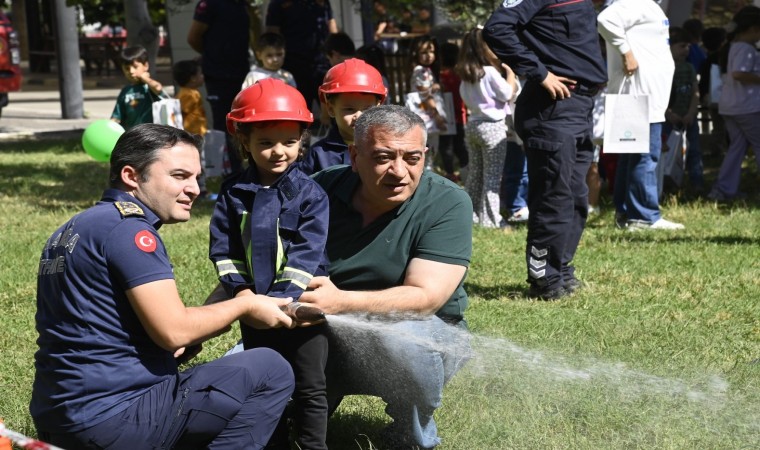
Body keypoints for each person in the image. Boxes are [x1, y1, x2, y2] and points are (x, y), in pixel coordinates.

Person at [30, 124, 295, 449]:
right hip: (114, 419)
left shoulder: (73, 229)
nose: (195, 189)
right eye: (180, 176)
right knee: (269, 367)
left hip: (60, 418)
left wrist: (232, 289)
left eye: (196, 177)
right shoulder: (130, 233)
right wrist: (246, 305)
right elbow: (173, 331)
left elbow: (111, 330)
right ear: (131, 176)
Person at [300, 105, 473, 449]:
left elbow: (426, 298)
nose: (399, 171)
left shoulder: (448, 202)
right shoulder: (320, 189)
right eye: (382, 157)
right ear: (354, 155)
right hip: (325, 327)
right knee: (244, 367)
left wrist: (341, 302)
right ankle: (300, 414)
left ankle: (411, 434)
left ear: (426, 155)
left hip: (426, 334)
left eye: (412, 158)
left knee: (403, 337)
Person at [210, 78, 331, 450]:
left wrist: (285, 299)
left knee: (310, 386)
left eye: (289, 142)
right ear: (243, 141)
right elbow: (224, 251)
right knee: (264, 385)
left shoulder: (311, 195)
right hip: (255, 310)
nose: (279, 151)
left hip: (303, 309)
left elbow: (307, 254)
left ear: (302, 140)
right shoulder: (233, 194)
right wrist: (244, 295)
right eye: (265, 143)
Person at [483, 0, 607, 299]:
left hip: (580, 106)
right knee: (554, 197)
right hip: (552, 108)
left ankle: (561, 269)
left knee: (576, 197)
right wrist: (539, 72)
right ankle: (544, 280)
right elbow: (497, 28)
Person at [597, 0, 685, 231]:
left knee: (632, 156)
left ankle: (627, 213)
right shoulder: (632, 1)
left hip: (646, 94)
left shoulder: (649, 4)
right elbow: (605, 20)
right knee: (644, 157)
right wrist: (627, 53)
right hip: (638, 92)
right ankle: (643, 216)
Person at [457, 27, 517, 229]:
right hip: (492, 127)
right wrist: (510, 74)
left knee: (475, 173)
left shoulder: (467, 74)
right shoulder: (490, 72)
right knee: (492, 176)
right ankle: (490, 220)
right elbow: (507, 93)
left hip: (473, 125)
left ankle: (468, 214)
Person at [187, 0, 250, 175]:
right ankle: (227, 173)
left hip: (241, 74)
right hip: (218, 76)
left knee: (243, 124)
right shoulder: (209, 4)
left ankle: (244, 169)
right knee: (224, 127)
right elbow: (193, 37)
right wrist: (213, 57)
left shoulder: (243, 5)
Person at [707, 6, 760, 202]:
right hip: (747, 107)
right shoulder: (746, 48)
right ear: (753, 29)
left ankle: (724, 189)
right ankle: (724, 189)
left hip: (732, 106)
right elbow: (739, 73)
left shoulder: (735, 46)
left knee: (736, 148)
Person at [300, 58, 387, 176]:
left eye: (367, 109)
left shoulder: (388, 146)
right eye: (349, 109)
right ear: (330, 109)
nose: (359, 116)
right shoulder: (319, 154)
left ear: (378, 106)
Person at [265, 0, 338, 114]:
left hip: (322, 65)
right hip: (294, 67)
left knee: (334, 112)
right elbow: (273, 37)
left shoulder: (323, 2)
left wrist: (336, 53)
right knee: (299, 113)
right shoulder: (278, 3)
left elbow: (331, 26)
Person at [661, 26, 703, 195]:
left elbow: (695, 92)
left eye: (688, 47)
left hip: (688, 118)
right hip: (669, 120)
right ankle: (667, 185)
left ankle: (697, 183)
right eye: (681, 46)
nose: (685, 50)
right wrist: (669, 113)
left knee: (694, 151)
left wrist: (691, 113)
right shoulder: (663, 68)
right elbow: (660, 96)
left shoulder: (689, 68)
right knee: (668, 152)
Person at [173, 58, 210, 197]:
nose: (203, 76)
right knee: (199, 162)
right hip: (193, 135)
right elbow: (180, 112)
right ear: (193, 78)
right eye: (200, 74)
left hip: (196, 133)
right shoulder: (189, 94)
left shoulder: (188, 92)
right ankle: (202, 189)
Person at [409, 35, 446, 171]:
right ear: (416, 54)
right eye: (424, 52)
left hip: (425, 117)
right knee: (429, 151)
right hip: (428, 118)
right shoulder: (421, 71)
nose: (429, 56)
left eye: (431, 52)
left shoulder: (426, 70)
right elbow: (425, 96)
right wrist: (437, 117)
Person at [110, 46, 168, 130]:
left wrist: (145, 79)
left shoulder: (149, 87)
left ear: (145, 66)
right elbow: (116, 116)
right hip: (133, 136)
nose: (131, 71)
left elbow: (158, 88)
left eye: (135, 67)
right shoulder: (126, 91)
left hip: (153, 135)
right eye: (127, 68)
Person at [439, 41, 468, 182]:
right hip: (460, 116)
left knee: (446, 147)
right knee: (460, 146)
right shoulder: (460, 75)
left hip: (445, 117)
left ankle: (450, 173)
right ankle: (465, 170)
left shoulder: (440, 77)